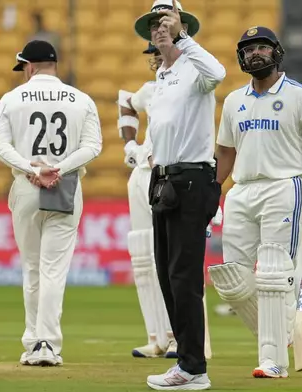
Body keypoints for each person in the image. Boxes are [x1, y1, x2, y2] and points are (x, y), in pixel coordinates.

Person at [209, 26, 302, 379]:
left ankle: (273, 360)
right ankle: (281, 334)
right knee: (232, 278)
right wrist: (213, 193)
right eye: (248, 49)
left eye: (262, 47)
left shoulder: (300, 96)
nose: (255, 54)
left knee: (273, 274)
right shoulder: (234, 100)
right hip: (241, 190)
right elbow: (225, 151)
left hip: (284, 186)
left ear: (276, 52)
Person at [0, 40, 102, 366]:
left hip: (27, 186)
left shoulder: (12, 98)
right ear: (53, 64)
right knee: (54, 270)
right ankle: (47, 344)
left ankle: (32, 341)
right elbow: (93, 146)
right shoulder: (81, 99)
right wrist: (59, 168)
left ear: (28, 66)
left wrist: (33, 168)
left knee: (32, 269)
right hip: (64, 185)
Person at [134, 0, 225, 389]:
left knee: (183, 275)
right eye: (154, 24)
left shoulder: (195, 67)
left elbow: (219, 72)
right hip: (166, 180)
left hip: (192, 179)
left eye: (165, 21)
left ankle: (193, 368)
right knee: (167, 274)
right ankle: (186, 361)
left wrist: (184, 37)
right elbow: (162, 124)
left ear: (183, 25)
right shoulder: (164, 75)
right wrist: (150, 156)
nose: (159, 29)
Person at [118, 42, 177, 359]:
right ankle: (156, 338)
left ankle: (179, 335)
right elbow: (126, 101)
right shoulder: (151, 89)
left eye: (159, 51)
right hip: (141, 174)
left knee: (169, 258)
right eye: (151, 53)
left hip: (168, 176)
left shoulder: (190, 86)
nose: (154, 58)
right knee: (142, 256)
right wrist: (131, 144)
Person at [215, 225, 302, 319]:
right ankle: (237, 307)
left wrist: (295, 308)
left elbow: (299, 271)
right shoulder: (278, 233)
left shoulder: (296, 233)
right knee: (265, 273)